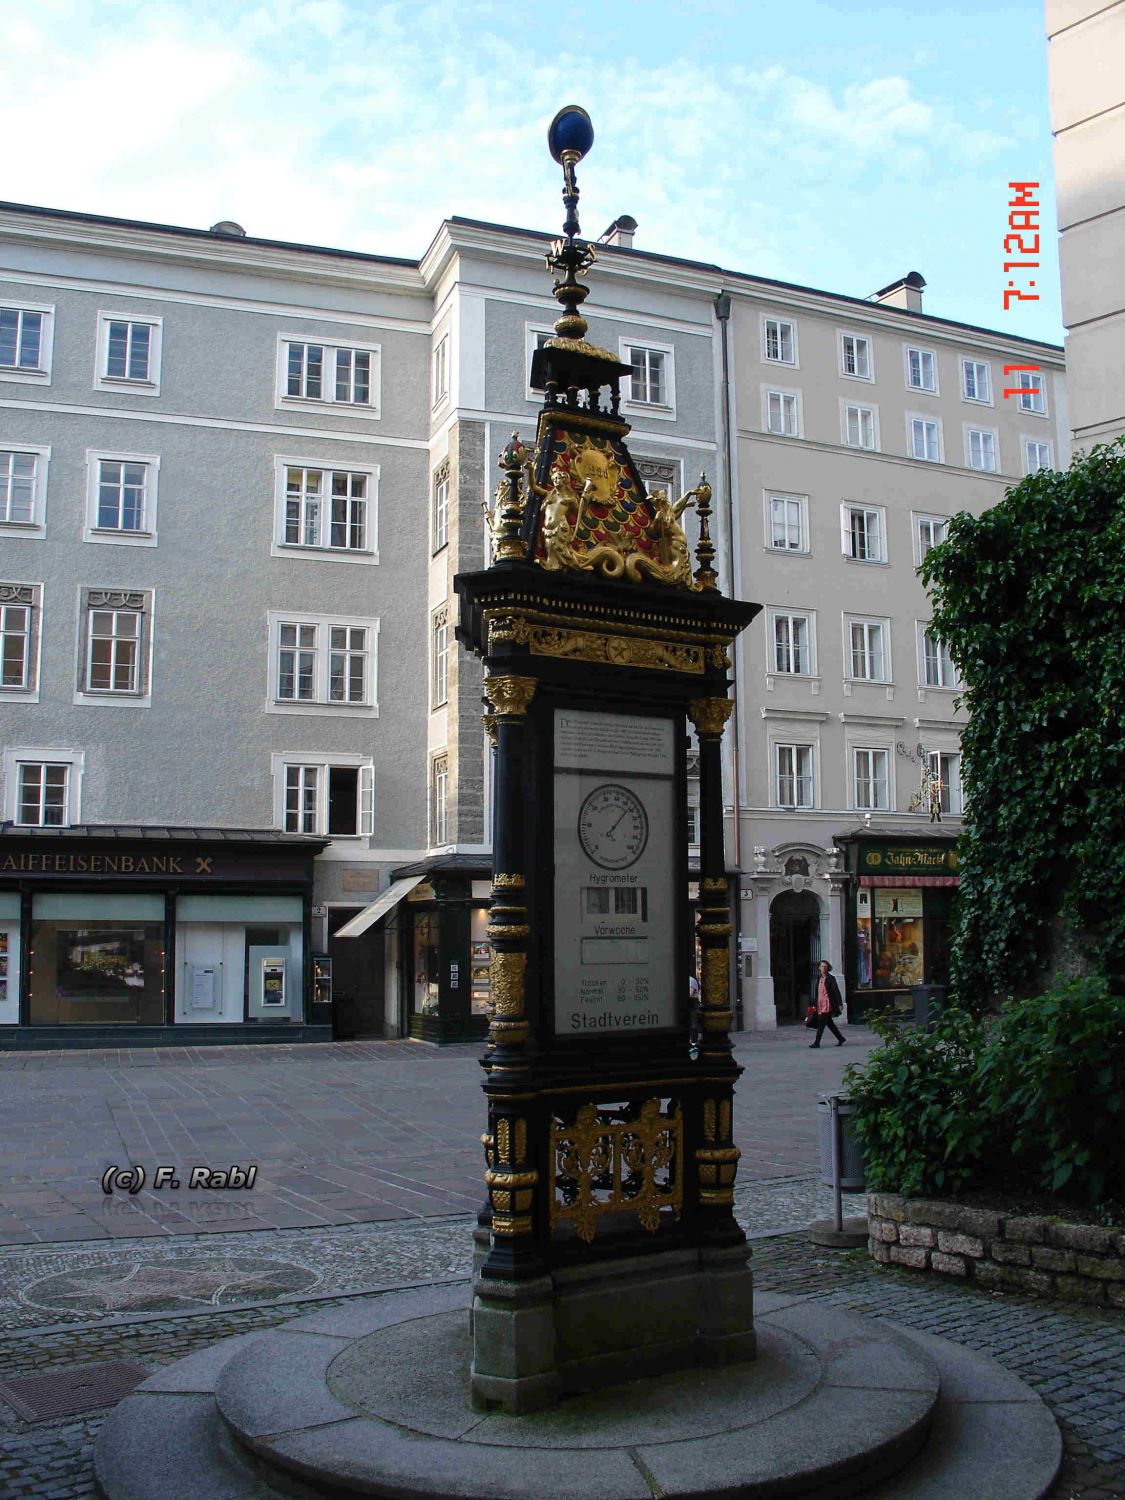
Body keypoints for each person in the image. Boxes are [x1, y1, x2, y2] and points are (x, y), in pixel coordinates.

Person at [809, 959, 846, 1048]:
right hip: (820, 1003)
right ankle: (841, 1038)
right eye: (822, 966)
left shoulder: (830, 978)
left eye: (825, 967)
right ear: (819, 967)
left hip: (827, 1004)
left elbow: (836, 991)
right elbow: (817, 991)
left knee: (821, 1022)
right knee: (829, 1023)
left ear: (828, 968)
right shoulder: (819, 978)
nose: (823, 968)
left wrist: (840, 1003)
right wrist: (814, 1003)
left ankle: (817, 1042)